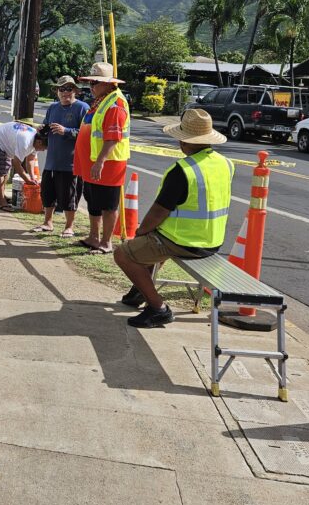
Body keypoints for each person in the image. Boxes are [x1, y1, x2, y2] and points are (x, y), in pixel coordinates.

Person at [113, 109, 234, 328]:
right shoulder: (225, 163)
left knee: (123, 253)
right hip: (212, 240)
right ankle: (140, 290)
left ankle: (158, 308)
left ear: (183, 141)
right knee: (151, 242)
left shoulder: (183, 170)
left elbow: (159, 212)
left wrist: (140, 232)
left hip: (183, 241)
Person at [73, 62, 130, 254]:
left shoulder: (115, 105)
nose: (91, 87)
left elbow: (113, 137)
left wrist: (100, 162)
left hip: (108, 164)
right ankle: (93, 237)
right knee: (93, 200)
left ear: (107, 83)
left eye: (94, 83)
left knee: (108, 204)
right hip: (92, 161)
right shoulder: (101, 101)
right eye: (90, 83)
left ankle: (106, 242)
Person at [33, 75, 89, 236]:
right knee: (47, 193)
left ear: (75, 91)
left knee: (69, 196)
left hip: (71, 162)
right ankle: (47, 222)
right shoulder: (53, 107)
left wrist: (66, 131)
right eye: (61, 89)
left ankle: (69, 226)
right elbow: (46, 126)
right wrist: (41, 129)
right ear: (57, 91)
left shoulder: (82, 108)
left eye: (69, 89)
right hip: (52, 160)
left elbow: (87, 133)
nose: (65, 92)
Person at [0, 120, 47, 210]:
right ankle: (2, 202)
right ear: (39, 142)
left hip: (5, 141)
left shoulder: (37, 139)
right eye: (44, 148)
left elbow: (30, 160)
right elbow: (16, 164)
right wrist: (27, 180)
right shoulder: (26, 141)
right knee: (0, 172)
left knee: (6, 169)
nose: (43, 150)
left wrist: (32, 178)